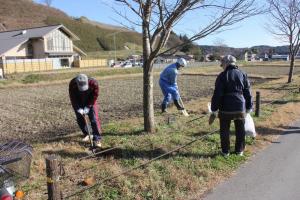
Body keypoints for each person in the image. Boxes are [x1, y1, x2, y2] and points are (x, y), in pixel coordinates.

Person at [209, 55, 252, 156]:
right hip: (240, 107)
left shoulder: (222, 76)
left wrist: (214, 108)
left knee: (224, 130)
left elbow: (217, 94)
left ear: (226, 64)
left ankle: (225, 151)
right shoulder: (243, 74)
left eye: (222, 64)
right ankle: (239, 150)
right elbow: (247, 92)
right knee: (240, 129)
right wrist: (249, 106)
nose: (222, 66)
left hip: (225, 107)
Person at [69, 74, 102, 148]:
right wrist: (78, 108)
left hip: (90, 100)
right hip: (78, 101)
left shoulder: (94, 83)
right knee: (80, 118)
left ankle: (97, 138)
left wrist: (88, 106)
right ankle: (88, 134)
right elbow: (73, 98)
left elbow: (95, 95)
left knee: (94, 119)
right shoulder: (72, 84)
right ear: (77, 83)